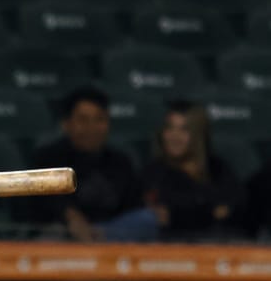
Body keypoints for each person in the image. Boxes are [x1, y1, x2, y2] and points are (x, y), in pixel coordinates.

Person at [22, 85, 157, 242]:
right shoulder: (48, 156)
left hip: (108, 236)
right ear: (66, 124)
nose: (91, 128)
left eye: (99, 119)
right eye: (83, 120)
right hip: (63, 235)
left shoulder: (120, 161)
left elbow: (133, 209)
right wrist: (70, 216)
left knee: (146, 219)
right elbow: (41, 205)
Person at [139, 101, 244, 242]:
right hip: (169, 249)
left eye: (184, 130)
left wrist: (183, 215)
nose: (174, 137)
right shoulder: (154, 172)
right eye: (170, 128)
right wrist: (210, 213)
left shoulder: (217, 169)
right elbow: (160, 217)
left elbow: (236, 209)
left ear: (198, 134)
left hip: (218, 245)